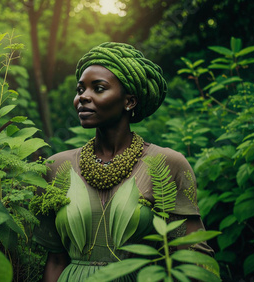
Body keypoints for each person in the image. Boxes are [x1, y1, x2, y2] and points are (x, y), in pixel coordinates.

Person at [32, 42, 213, 281]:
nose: (83, 97)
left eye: (98, 88)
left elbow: (191, 253)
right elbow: (55, 259)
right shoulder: (57, 167)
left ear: (130, 101)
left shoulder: (167, 164)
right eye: (80, 90)